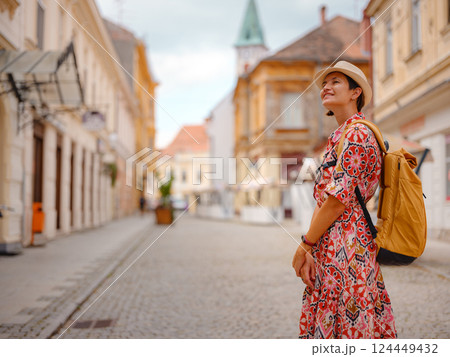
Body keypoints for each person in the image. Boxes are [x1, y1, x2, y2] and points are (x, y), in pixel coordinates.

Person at [292, 61, 397, 339]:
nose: (326, 86)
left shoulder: (358, 134)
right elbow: (324, 199)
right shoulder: (339, 136)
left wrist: (305, 244)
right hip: (333, 246)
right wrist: (312, 247)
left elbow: (338, 200)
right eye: (324, 83)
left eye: (336, 81)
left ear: (355, 92)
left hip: (348, 247)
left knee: (349, 324)